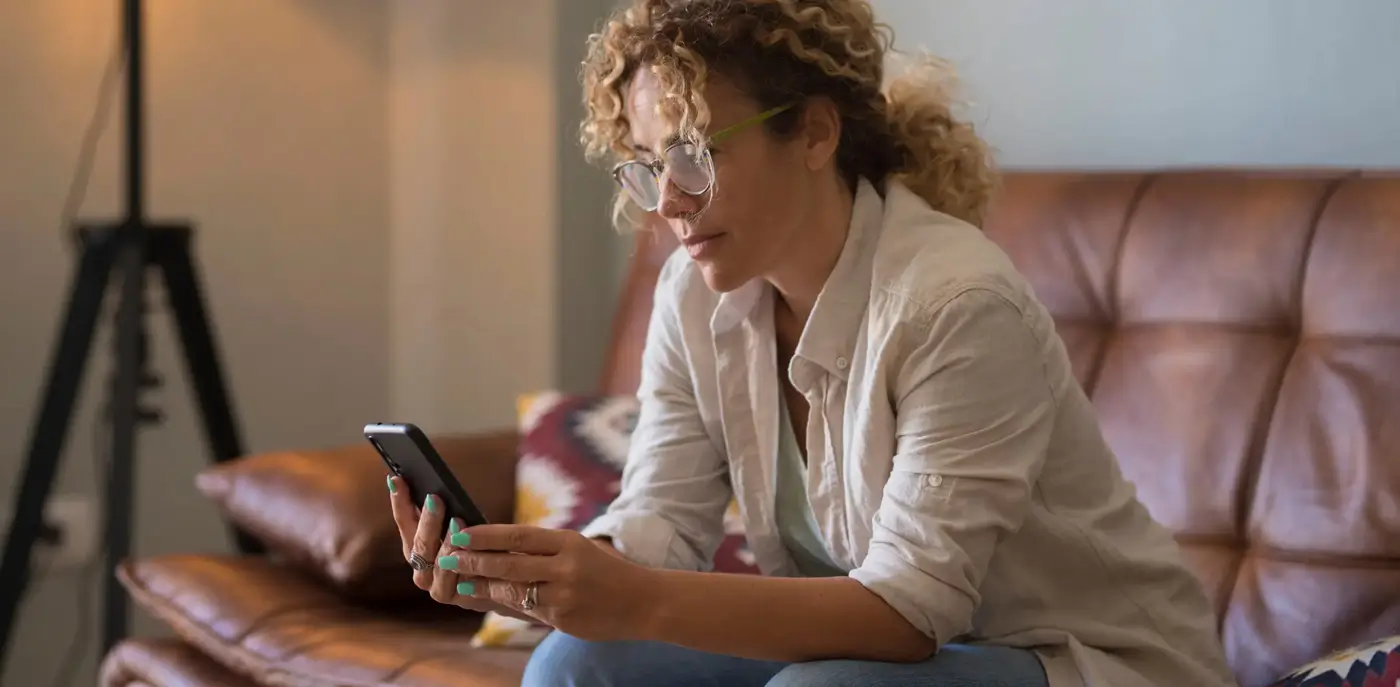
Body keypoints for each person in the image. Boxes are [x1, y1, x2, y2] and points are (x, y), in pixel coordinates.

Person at [387, 1, 1240, 685]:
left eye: (693, 155)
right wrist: (538, 574)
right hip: (900, 656)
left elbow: (907, 615)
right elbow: (659, 523)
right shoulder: (694, 292)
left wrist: (636, 600)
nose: (667, 202)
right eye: (647, 163)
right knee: (576, 662)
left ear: (815, 133)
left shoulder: (957, 304)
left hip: (1081, 660)